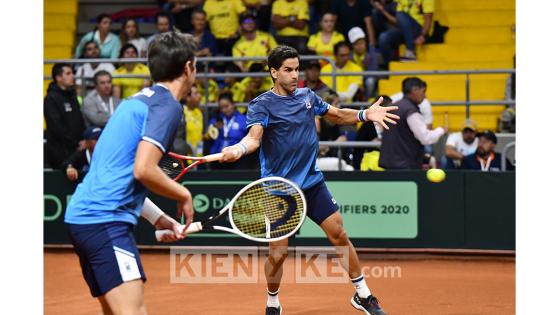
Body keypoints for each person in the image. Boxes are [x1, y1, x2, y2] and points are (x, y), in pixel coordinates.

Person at [220, 45, 398, 315]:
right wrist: (239, 149)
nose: (294, 75)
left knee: (339, 233)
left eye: (296, 69)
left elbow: (336, 115)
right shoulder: (261, 105)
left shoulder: (307, 96)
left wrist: (364, 115)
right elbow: (254, 138)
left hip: (311, 183)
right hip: (278, 190)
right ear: (274, 72)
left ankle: (363, 295)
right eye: (288, 70)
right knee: (278, 256)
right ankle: (272, 301)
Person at [64, 32, 198, 314]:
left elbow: (120, 174)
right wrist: (183, 193)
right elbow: (144, 170)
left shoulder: (134, 102)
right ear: (188, 68)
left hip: (83, 218)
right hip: (105, 222)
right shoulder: (168, 107)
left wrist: (160, 219)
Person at [379, 77, 446, 169]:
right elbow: (425, 138)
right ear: (415, 90)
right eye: (423, 91)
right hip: (406, 166)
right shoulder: (410, 111)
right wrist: (441, 130)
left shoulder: (392, 107)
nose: (424, 96)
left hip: (388, 164)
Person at [44, 63, 86, 169]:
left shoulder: (72, 95)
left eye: (72, 73)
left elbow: (79, 120)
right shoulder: (51, 98)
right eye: (68, 73)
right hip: (59, 152)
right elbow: (56, 127)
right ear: (58, 78)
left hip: (76, 150)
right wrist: (75, 142)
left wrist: (83, 139)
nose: (72, 76)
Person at [208, 92, 248, 169]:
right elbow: (209, 136)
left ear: (233, 104)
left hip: (236, 157)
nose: (224, 110)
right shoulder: (216, 119)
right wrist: (215, 129)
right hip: (217, 158)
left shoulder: (243, 119)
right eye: (221, 108)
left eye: (227, 106)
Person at [348, 26, 377, 99]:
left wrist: (361, 81)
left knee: (370, 81)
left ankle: (366, 100)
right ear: (352, 46)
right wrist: (358, 82)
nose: (359, 46)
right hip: (354, 79)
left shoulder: (371, 54)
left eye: (361, 43)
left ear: (365, 43)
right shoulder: (349, 55)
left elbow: (373, 71)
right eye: (356, 44)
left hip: (366, 79)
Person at [184, 85, 205, 156]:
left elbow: (199, 135)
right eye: (196, 93)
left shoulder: (199, 112)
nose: (200, 96)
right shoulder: (181, 112)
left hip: (198, 156)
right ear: (187, 97)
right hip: (185, 157)